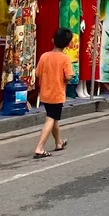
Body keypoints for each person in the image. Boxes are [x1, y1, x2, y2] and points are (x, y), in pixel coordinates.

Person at [32, 28, 72, 159]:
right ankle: (39, 147)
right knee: (50, 119)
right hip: (57, 94)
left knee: (53, 118)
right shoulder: (65, 59)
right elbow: (69, 76)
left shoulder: (44, 56)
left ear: (52, 40)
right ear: (68, 45)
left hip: (45, 93)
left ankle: (58, 142)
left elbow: (37, 73)